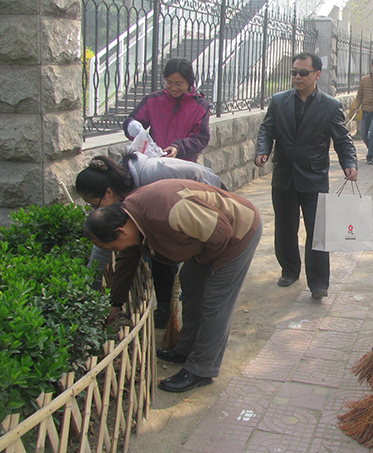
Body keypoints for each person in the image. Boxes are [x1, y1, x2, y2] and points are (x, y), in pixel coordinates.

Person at [84, 179, 262, 393]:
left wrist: (207, 266)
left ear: (121, 232)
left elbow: (220, 231)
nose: (113, 251)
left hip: (237, 232)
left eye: (111, 246)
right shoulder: (131, 217)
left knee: (215, 301)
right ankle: (186, 348)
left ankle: (202, 369)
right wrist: (115, 303)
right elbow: (126, 261)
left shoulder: (168, 212)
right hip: (210, 237)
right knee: (190, 283)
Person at [76, 152, 224, 327]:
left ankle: (182, 315)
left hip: (210, 202)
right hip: (179, 214)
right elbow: (113, 247)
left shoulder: (151, 177)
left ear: (108, 192)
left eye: (94, 205)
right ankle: (166, 310)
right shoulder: (121, 196)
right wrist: (105, 298)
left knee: (192, 272)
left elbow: (199, 180)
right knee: (157, 253)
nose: (95, 211)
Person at [255, 52, 358, 298]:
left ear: (317, 74)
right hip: (284, 176)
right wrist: (263, 150)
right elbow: (266, 129)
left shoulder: (331, 106)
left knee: (318, 230)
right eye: (294, 72)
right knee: (285, 227)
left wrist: (349, 164)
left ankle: (319, 283)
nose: (297, 77)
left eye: (303, 73)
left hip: (314, 178)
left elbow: (343, 140)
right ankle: (289, 269)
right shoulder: (278, 101)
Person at [123, 58, 210, 162]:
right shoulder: (154, 100)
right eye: (169, 83)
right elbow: (134, 120)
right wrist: (131, 125)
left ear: (189, 83)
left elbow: (200, 138)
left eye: (179, 84)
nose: (173, 88)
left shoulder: (200, 107)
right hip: (153, 162)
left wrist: (178, 148)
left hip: (183, 164)